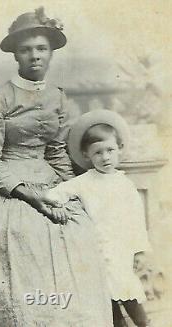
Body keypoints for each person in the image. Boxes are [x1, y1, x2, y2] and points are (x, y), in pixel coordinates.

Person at [0, 7, 113, 327]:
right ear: (15, 56)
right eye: (26, 50)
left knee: (80, 232)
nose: (34, 56)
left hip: (51, 182)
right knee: (23, 240)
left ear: (51, 53)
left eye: (41, 49)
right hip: (9, 189)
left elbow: (56, 153)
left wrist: (74, 192)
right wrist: (31, 196)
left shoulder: (59, 98)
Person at [44, 110, 152, 327]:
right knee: (106, 297)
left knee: (126, 291)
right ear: (87, 156)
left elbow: (136, 220)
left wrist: (139, 250)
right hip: (97, 248)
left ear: (119, 149)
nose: (105, 157)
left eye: (110, 150)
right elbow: (54, 194)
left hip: (121, 248)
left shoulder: (125, 184)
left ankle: (144, 324)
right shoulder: (84, 182)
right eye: (98, 153)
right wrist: (59, 205)